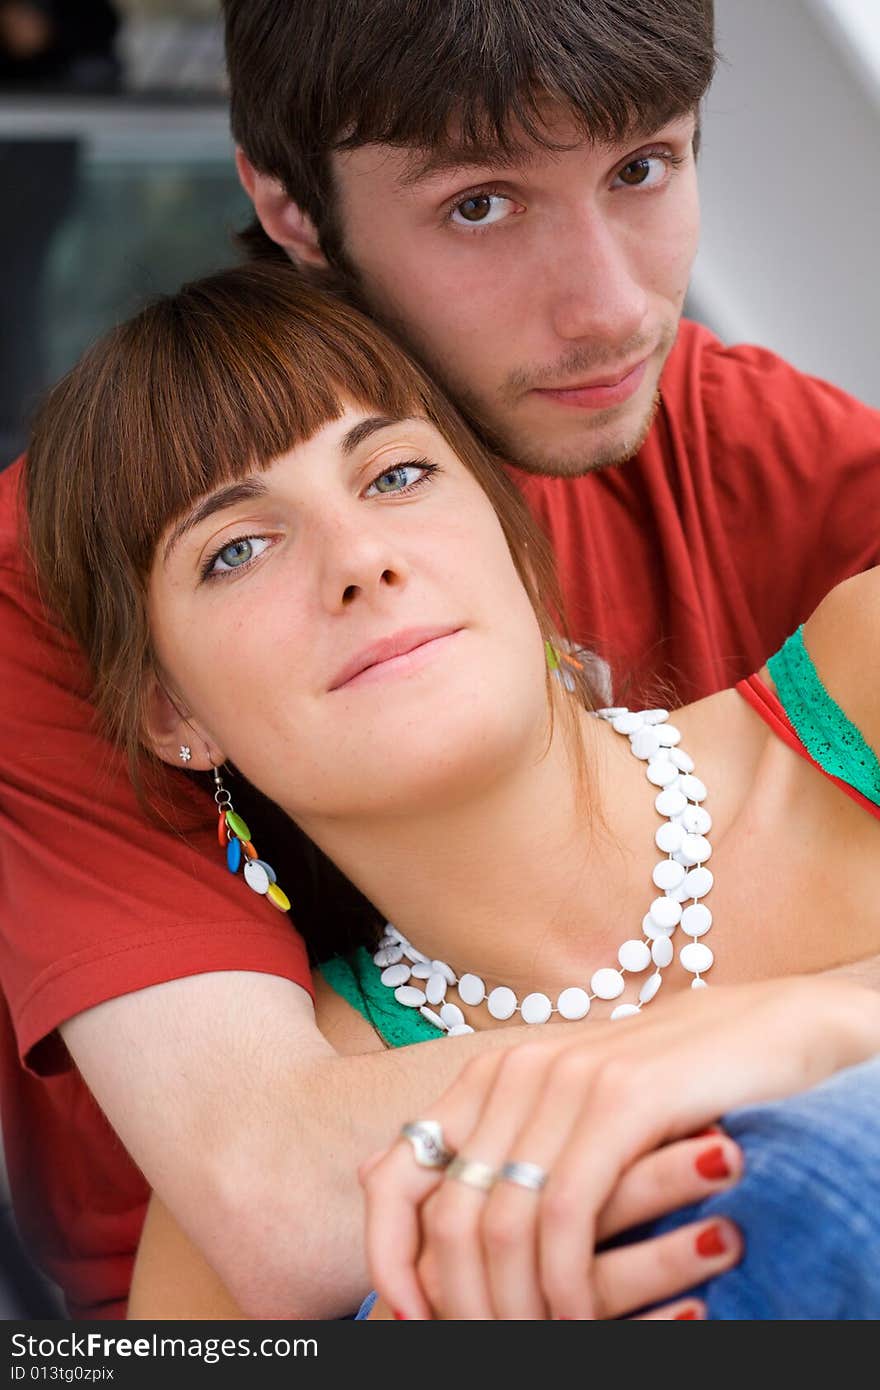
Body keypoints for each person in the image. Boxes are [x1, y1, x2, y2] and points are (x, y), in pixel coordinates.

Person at [1, 0, 879, 1319]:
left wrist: (799, 1028)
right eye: (479, 205)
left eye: (643, 167)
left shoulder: (717, 435)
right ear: (291, 208)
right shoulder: (48, 574)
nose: (609, 308)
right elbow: (272, 1197)